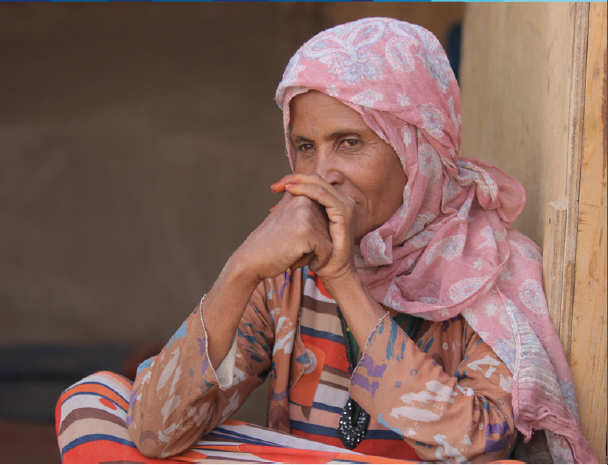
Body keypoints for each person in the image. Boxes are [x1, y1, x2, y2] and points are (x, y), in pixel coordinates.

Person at [126, 18, 595, 463]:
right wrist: (241, 268)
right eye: (306, 147)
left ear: (417, 151)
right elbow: (156, 431)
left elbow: (478, 447)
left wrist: (344, 279)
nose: (321, 174)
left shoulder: (488, 270)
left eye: (348, 142)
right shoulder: (286, 275)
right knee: (95, 400)